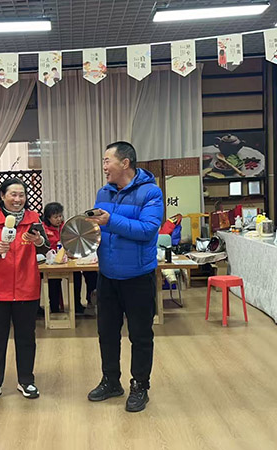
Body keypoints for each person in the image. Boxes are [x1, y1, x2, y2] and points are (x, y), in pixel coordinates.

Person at [86, 141, 163, 413]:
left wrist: (111, 221)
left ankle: (140, 386)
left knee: (140, 335)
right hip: (107, 275)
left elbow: (148, 229)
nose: (104, 166)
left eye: (107, 161)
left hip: (138, 277)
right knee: (106, 333)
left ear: (125, 163)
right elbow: (98, 229)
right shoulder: (103, 192)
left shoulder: (151, 192)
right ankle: (111, 381)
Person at [0, 178, 50, 405]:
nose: (18, 199)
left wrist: (38, 240)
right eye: (13, 194)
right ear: (2, 196)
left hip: (27, 288)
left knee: (26, 338)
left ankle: (26, 380)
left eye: (21, 195)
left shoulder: (34, 218)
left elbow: (46, 247)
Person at [42, 202, 95, 315]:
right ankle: (55, 308)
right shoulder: (44, 229)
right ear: (48, 218)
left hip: (68, 260)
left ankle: (76, 305)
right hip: (51, 262)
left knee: (76, 275)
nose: (59, 219)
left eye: (60, 216)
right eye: (55, 217)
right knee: (54, 281)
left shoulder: (66, 227)